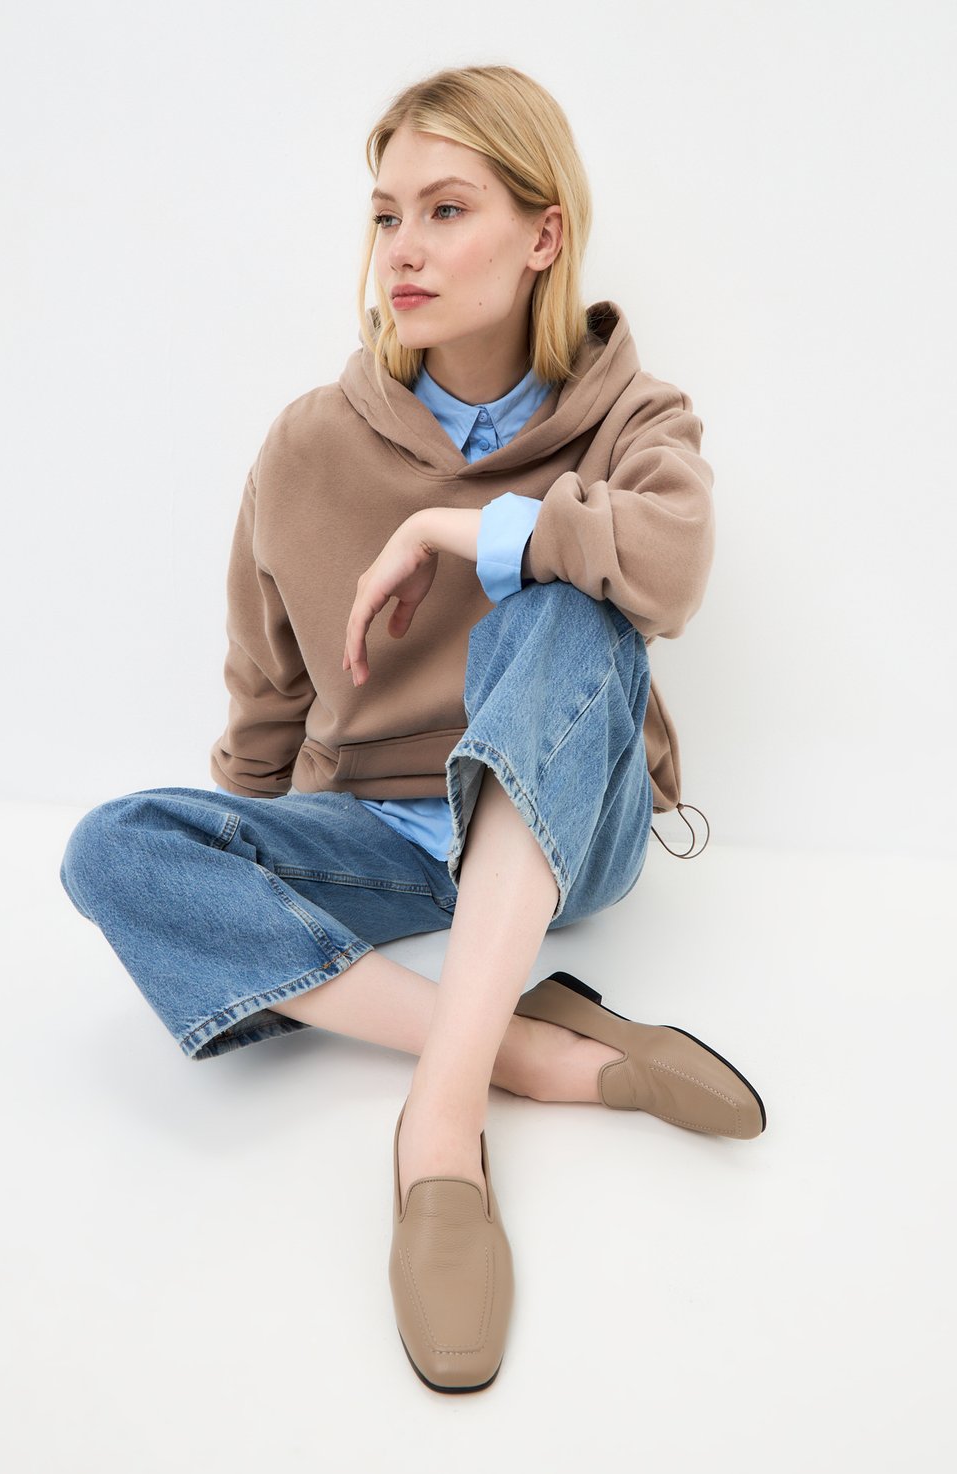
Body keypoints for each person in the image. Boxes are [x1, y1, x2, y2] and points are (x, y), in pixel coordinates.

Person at [59, 63, 766, 1395]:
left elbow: (667, 571)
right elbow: (267, 691)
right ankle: (528, 1049)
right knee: (111, 848)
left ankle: (439, 1130)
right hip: (379, 836)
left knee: (568, 608)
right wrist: (236, 871)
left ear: (544, 234)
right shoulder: (308, 445)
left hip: (573, 827)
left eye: (446, 210)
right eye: (386, 215)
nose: (403, 249)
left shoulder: (633, 416)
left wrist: (463, 529)